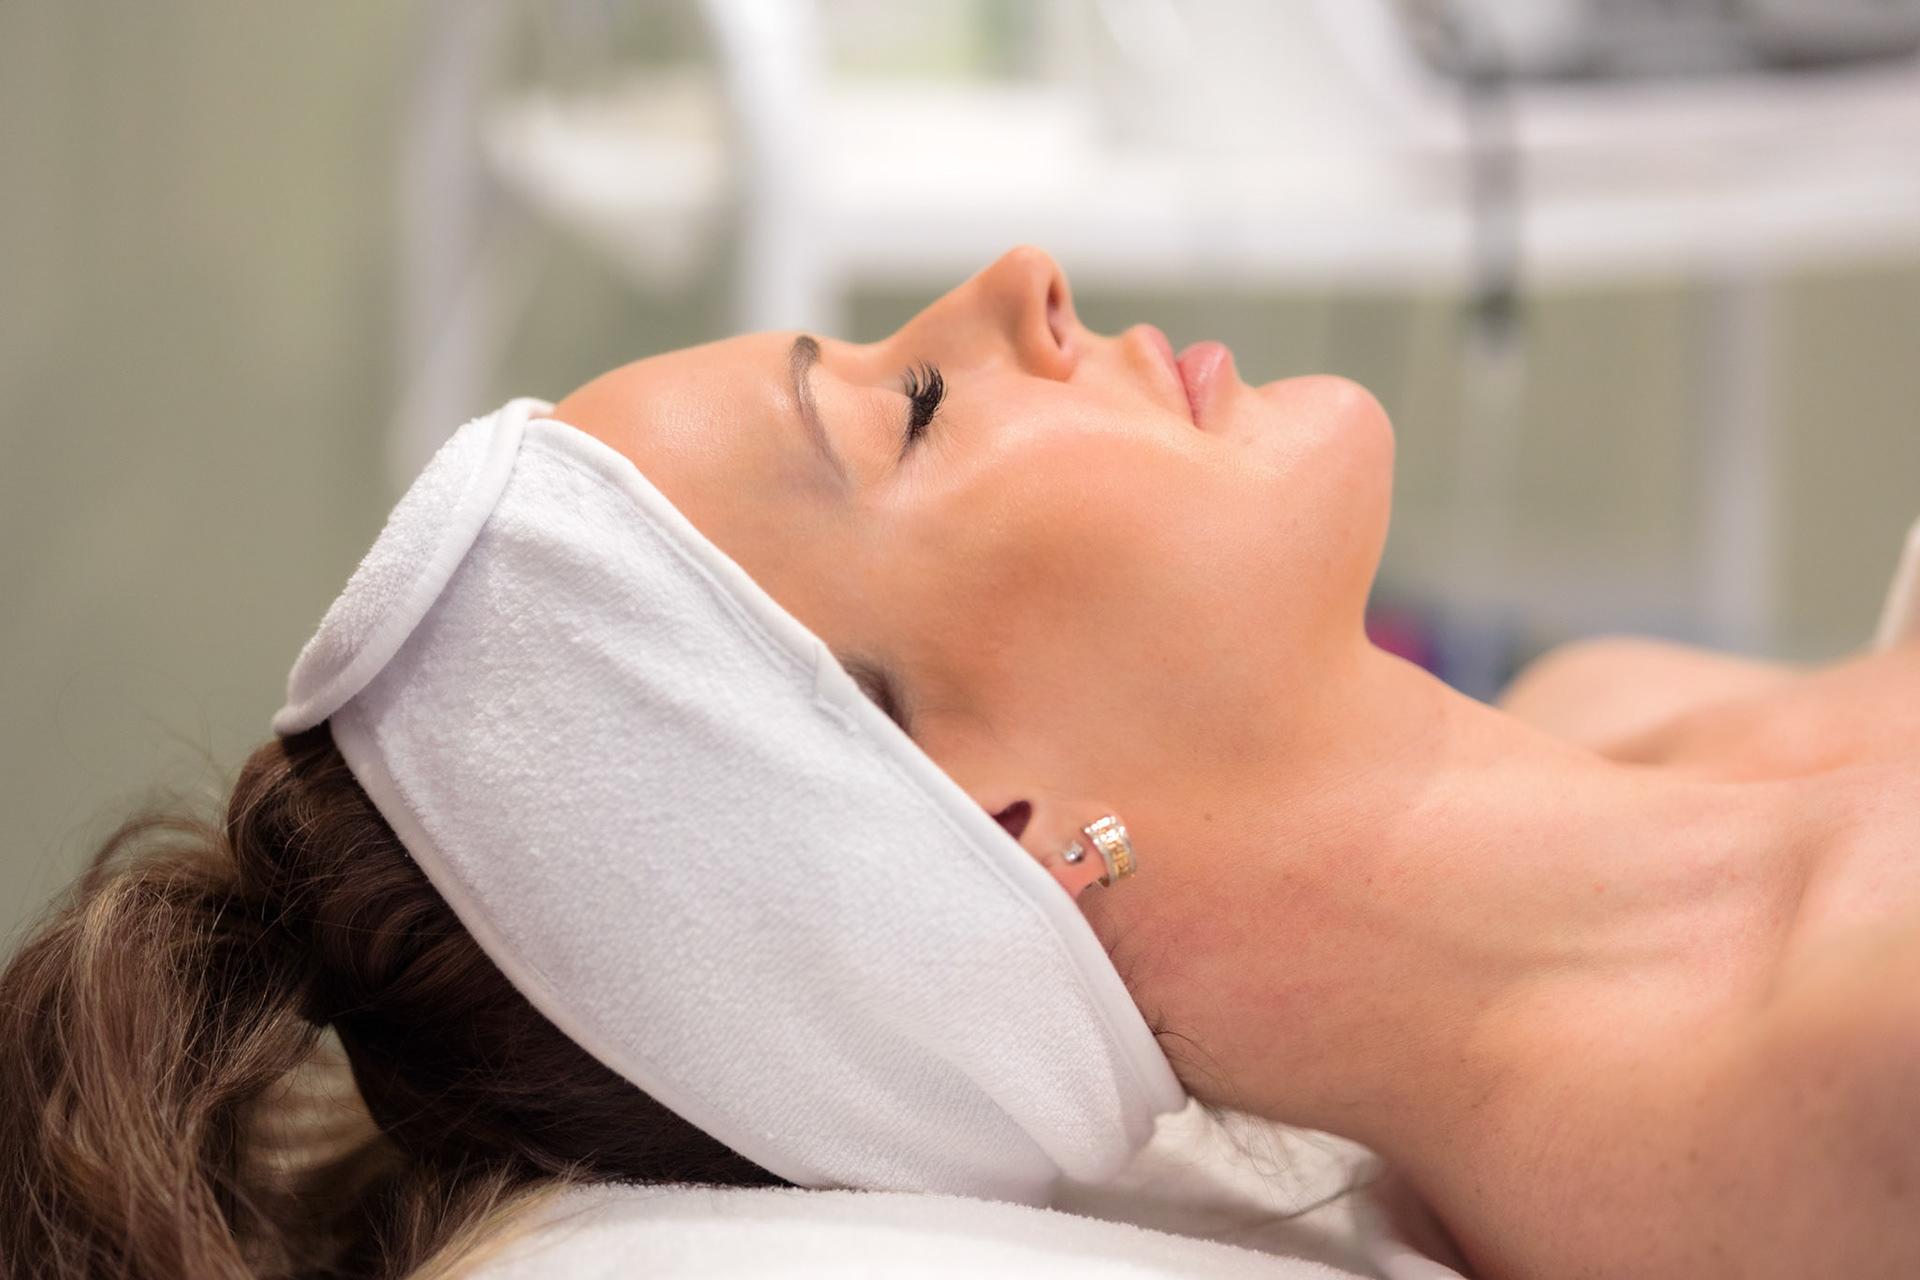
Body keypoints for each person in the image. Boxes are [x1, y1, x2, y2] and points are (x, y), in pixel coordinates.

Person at [3, 246, 1916, 1280]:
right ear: (992, 837)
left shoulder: (1614, 705)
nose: (1021, 282)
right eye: (913, 408)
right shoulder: (1835, 1092)